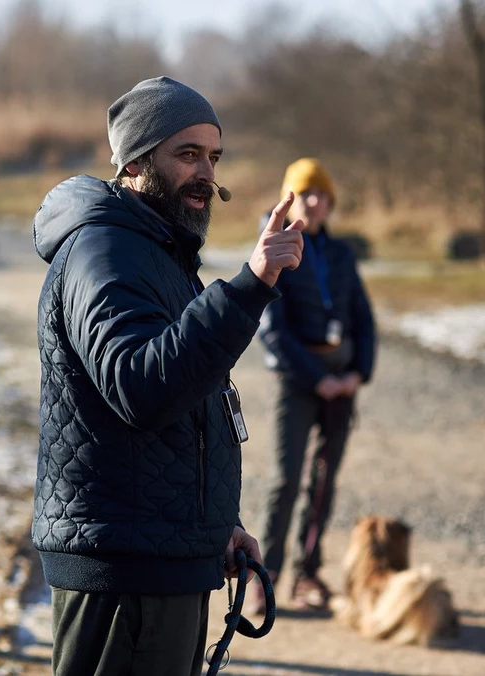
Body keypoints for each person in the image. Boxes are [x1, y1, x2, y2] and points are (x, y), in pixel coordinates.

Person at [31, 76, 307, 676]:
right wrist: (248, 286)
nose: (206, 172)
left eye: (213, 157)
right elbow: (141, 387)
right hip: (123, 575)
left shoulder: (158, 250)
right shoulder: (104, 252)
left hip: (163, 560)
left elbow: (187, 397)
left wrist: (216, 528)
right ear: (135, 161)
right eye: (187, 155)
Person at [251, 158, 377, 614]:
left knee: (324, 482)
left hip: (342, 386)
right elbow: (272, 328)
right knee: (285, 482)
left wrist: (355, 374)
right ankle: (264, 581)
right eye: (307, 194)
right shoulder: (276, 246)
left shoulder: (341, 253)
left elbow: (363, 318)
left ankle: (308, 574)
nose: (316, 202)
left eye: (323, 194)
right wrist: (318, 378)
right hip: (298, 383)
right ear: (290, 198)